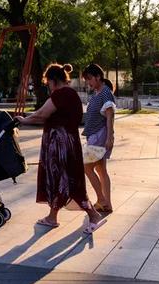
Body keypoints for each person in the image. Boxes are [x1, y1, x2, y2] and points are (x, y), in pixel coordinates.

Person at [14, 63, 106, 233]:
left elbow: (42, 114)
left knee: (67, 179)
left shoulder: (62, 94)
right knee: (61, 179)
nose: (48, 86)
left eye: (48, 82)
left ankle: (93, 216)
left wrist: (24, 120)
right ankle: (52, 216)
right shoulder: (69, 94)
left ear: (54, 80)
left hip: (61, 145)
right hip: (66, 143)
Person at [82, 63, 116, 214]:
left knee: (86, 167)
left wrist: (110, 137)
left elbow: (110, 116)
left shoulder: (105, 93)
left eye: (89, 79)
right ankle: (107, 204)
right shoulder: (97, 93)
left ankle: (101, 199)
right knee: (101, 170)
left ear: (98, 77)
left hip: (99, 136)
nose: (88, 82)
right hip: (96, 135)